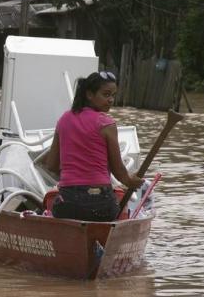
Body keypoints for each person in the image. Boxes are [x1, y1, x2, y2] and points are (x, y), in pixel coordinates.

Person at [43, 71, 144, 222]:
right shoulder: (106, 123)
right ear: (89, 94)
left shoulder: (64, 119)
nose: (111, 100)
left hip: (68, 203)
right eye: (106, 94)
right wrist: (133, 182)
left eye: (113, 95)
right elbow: (119, 172)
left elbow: (51, 164)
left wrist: (73, 179)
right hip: (101, 203)